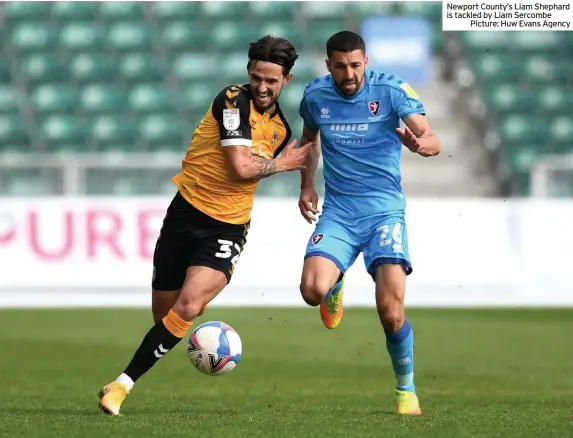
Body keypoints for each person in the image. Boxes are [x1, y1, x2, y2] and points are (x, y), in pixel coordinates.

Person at [98, 35, 312, 416]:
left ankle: (121, 385)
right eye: (257, 77)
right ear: (249, 73)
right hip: (185, 214)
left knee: (191, 304)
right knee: (165, 319)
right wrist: (285, 166)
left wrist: (306, 187)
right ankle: (160, 354)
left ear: (286, 81)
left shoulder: (280, 128)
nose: (262, 87)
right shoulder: (232, 100)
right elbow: (241, 167)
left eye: (272, 81)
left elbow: (302, 154)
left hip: (227, 227)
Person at [297, 31, 441, 416]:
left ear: (366, 61)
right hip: (340, 212)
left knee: (391, 311)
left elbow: (432, 138)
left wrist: (418, 145)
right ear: (329, 65)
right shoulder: (315, 97)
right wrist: (307, 185)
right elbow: (308, 142)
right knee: (311, 290)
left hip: (384, 212)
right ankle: (334, 281)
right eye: (340, 66)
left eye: (356, 65)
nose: (349, 74)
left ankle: (406, 390)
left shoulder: (391, 91)